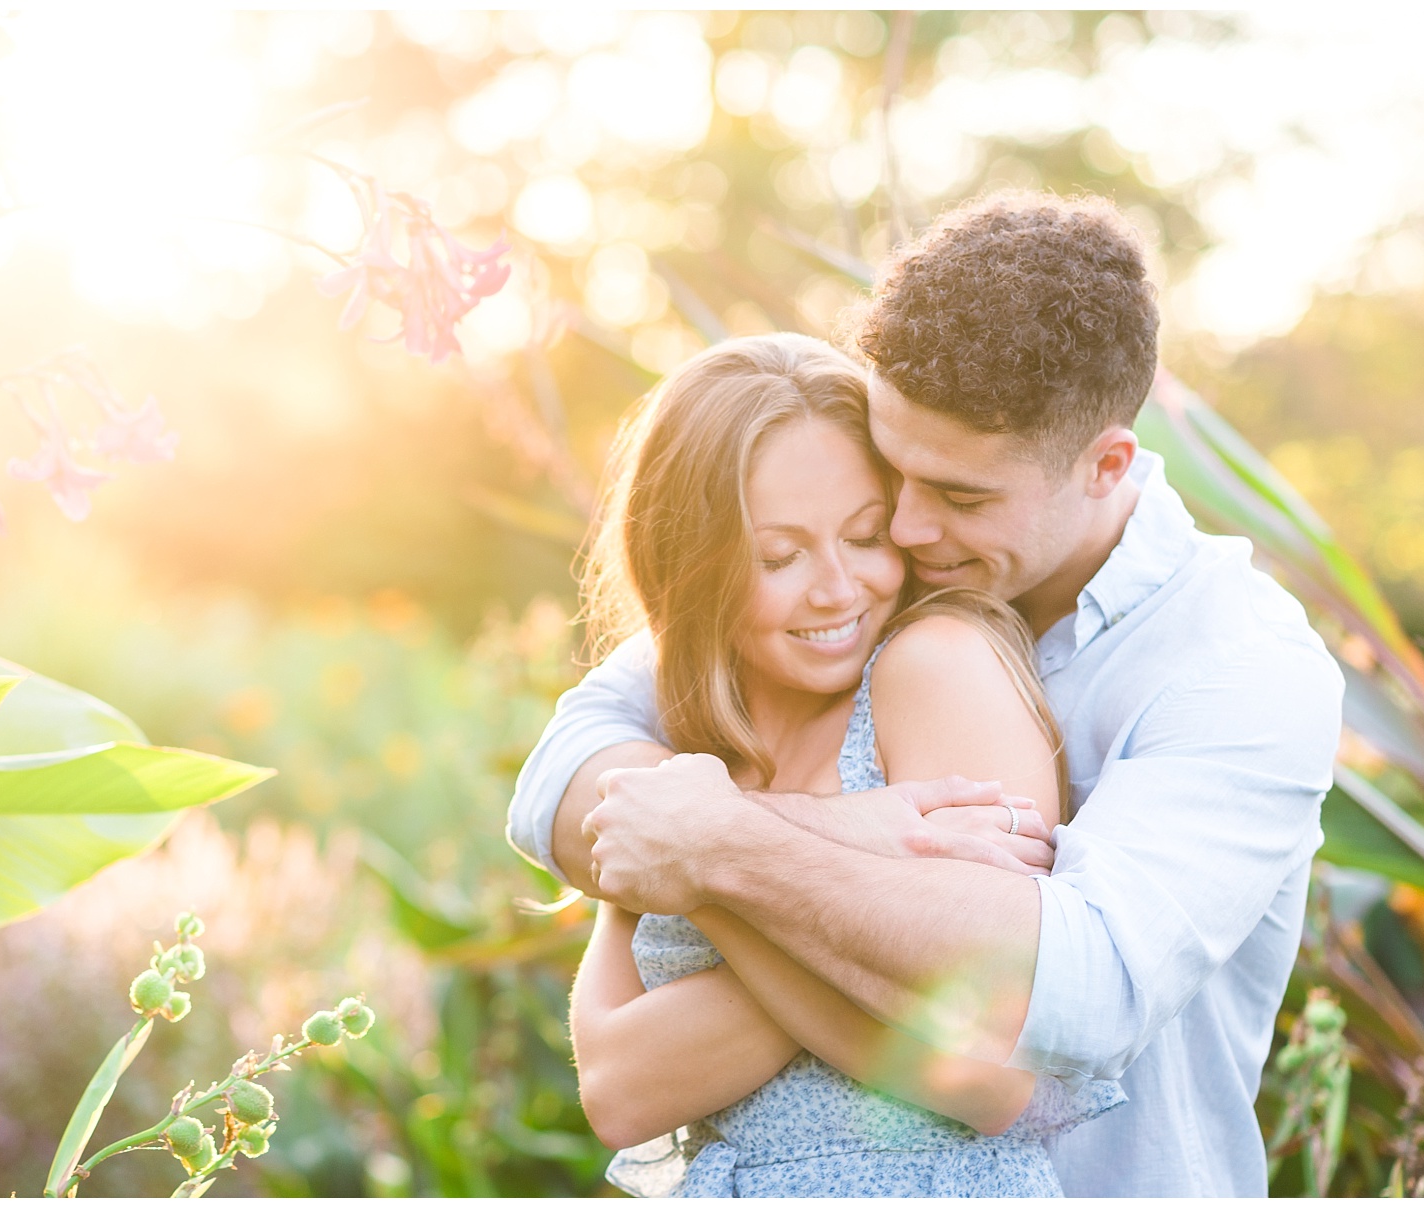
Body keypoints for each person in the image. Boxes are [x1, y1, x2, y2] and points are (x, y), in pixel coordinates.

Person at [508, 192, 1344, 1197]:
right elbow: (564, 775)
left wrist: (718, 844)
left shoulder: (1238, 666)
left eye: (959, 495)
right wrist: (858, 830)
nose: (900, 529)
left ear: (1106, 463)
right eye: (892, 472)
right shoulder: (868, 581)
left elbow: (1074, 990)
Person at [564, 331, 1123, 1196]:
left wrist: (712, 862)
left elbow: (991, 1070)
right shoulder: (684, 758)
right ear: (690, 566)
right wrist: (845, 869)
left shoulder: (934, 667)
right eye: (779, 557)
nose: (838, 588)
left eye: (866, 536)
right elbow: (619, 1092)